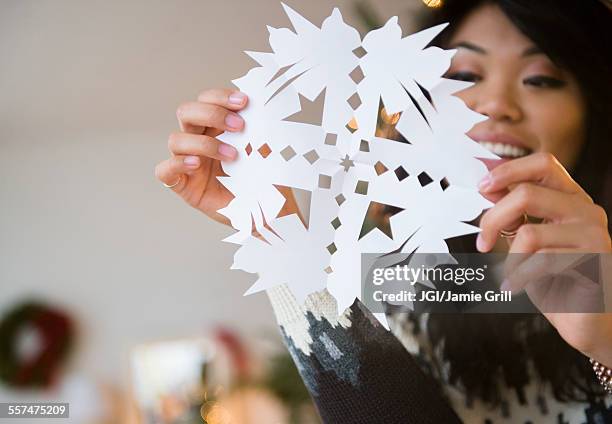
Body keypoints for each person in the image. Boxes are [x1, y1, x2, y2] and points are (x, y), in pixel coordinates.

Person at [155, 0, 612, 422]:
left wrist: (607, 341)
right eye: (467, 75)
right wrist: (277, 232)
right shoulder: (403, 276)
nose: (495, 105)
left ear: (593, 105)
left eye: (540, 79)